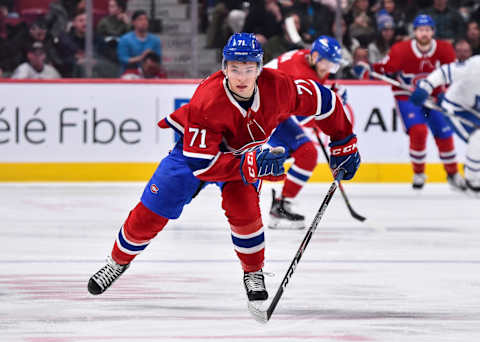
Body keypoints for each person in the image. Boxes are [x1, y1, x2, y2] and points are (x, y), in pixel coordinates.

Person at [87, 33, 360, 303]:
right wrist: (252, 164)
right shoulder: (207, 100)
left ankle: (253, 272)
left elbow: (326, 102)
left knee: (246, 213)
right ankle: (117, 262)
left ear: (259, 68)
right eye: (235, 69)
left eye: (249, 69)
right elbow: (201, 165)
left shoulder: (279, 87)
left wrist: (344, 142)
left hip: (242, 155)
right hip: (193, 157)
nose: (242, 77)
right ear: (224, 67)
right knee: (152, 210)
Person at [357, 14, 466, 191]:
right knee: (418, 130)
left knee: (444, 133)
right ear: (414, 32)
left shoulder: (445, 49)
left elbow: (453, 75)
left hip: (434, 98)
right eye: (421, 30)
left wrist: (446, 94)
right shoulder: (401, 50)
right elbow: (383, 69)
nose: (424, 33)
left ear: (433, 32)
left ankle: (453, 174)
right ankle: (418, 172)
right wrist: (365, 70)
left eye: (428, 30)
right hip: (408, 97)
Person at [264, 35, 347, 229]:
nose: (329, 70)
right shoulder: (303, 73)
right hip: (261, 112)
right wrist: (333, 103)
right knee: (304, 153)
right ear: (316, 56)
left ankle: (281, 206)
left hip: (274, 109)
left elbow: (311, 94)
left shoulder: (308, 59)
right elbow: (305, 118)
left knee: (306, 153)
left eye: (333, 66)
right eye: (328, 64)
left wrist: (330, 92)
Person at [410, 55, 480, 194]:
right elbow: (445, 72)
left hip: (475, 109)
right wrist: (425, 87)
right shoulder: (476, 65)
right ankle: (473, 181)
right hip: (457, 108)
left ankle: (474, 168)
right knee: (477, 137)